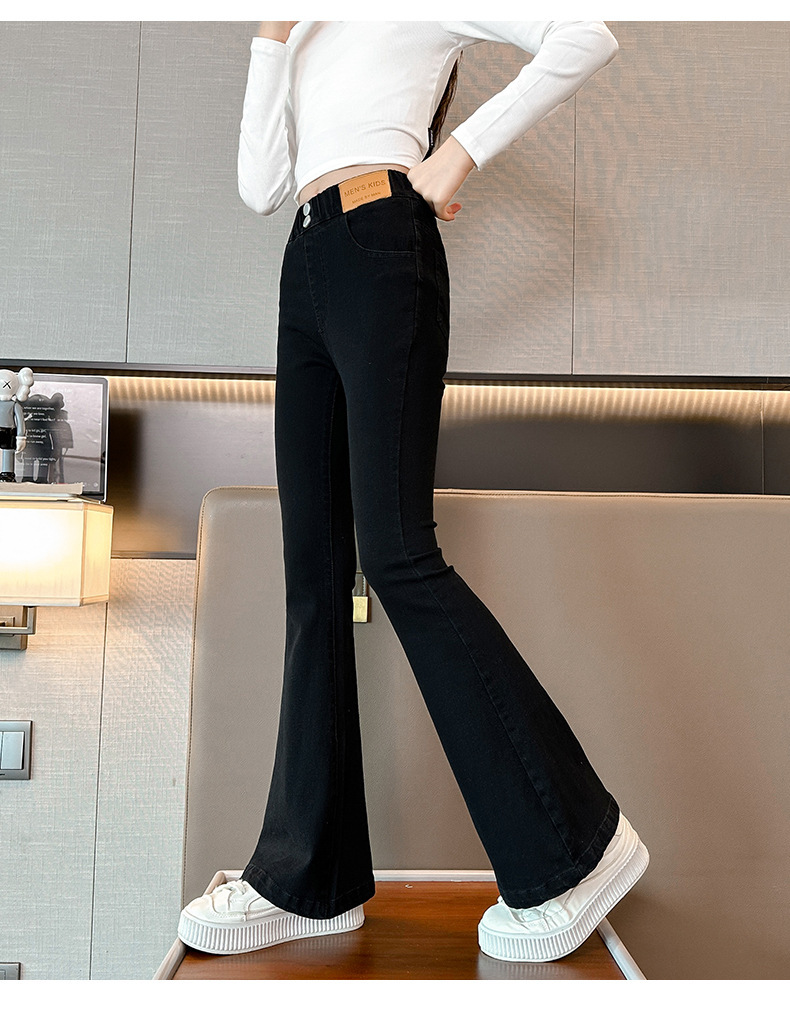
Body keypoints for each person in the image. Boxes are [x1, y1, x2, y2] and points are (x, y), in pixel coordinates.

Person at [178, 20, 649, 965]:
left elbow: (584, 36)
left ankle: (574, 849)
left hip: (381, 241)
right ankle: (308, 880)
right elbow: (260, 186)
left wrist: (458, 151)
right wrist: (271, 38)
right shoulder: (299, 28)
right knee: (313, 576)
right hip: (306, 263)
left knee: (397, 553)